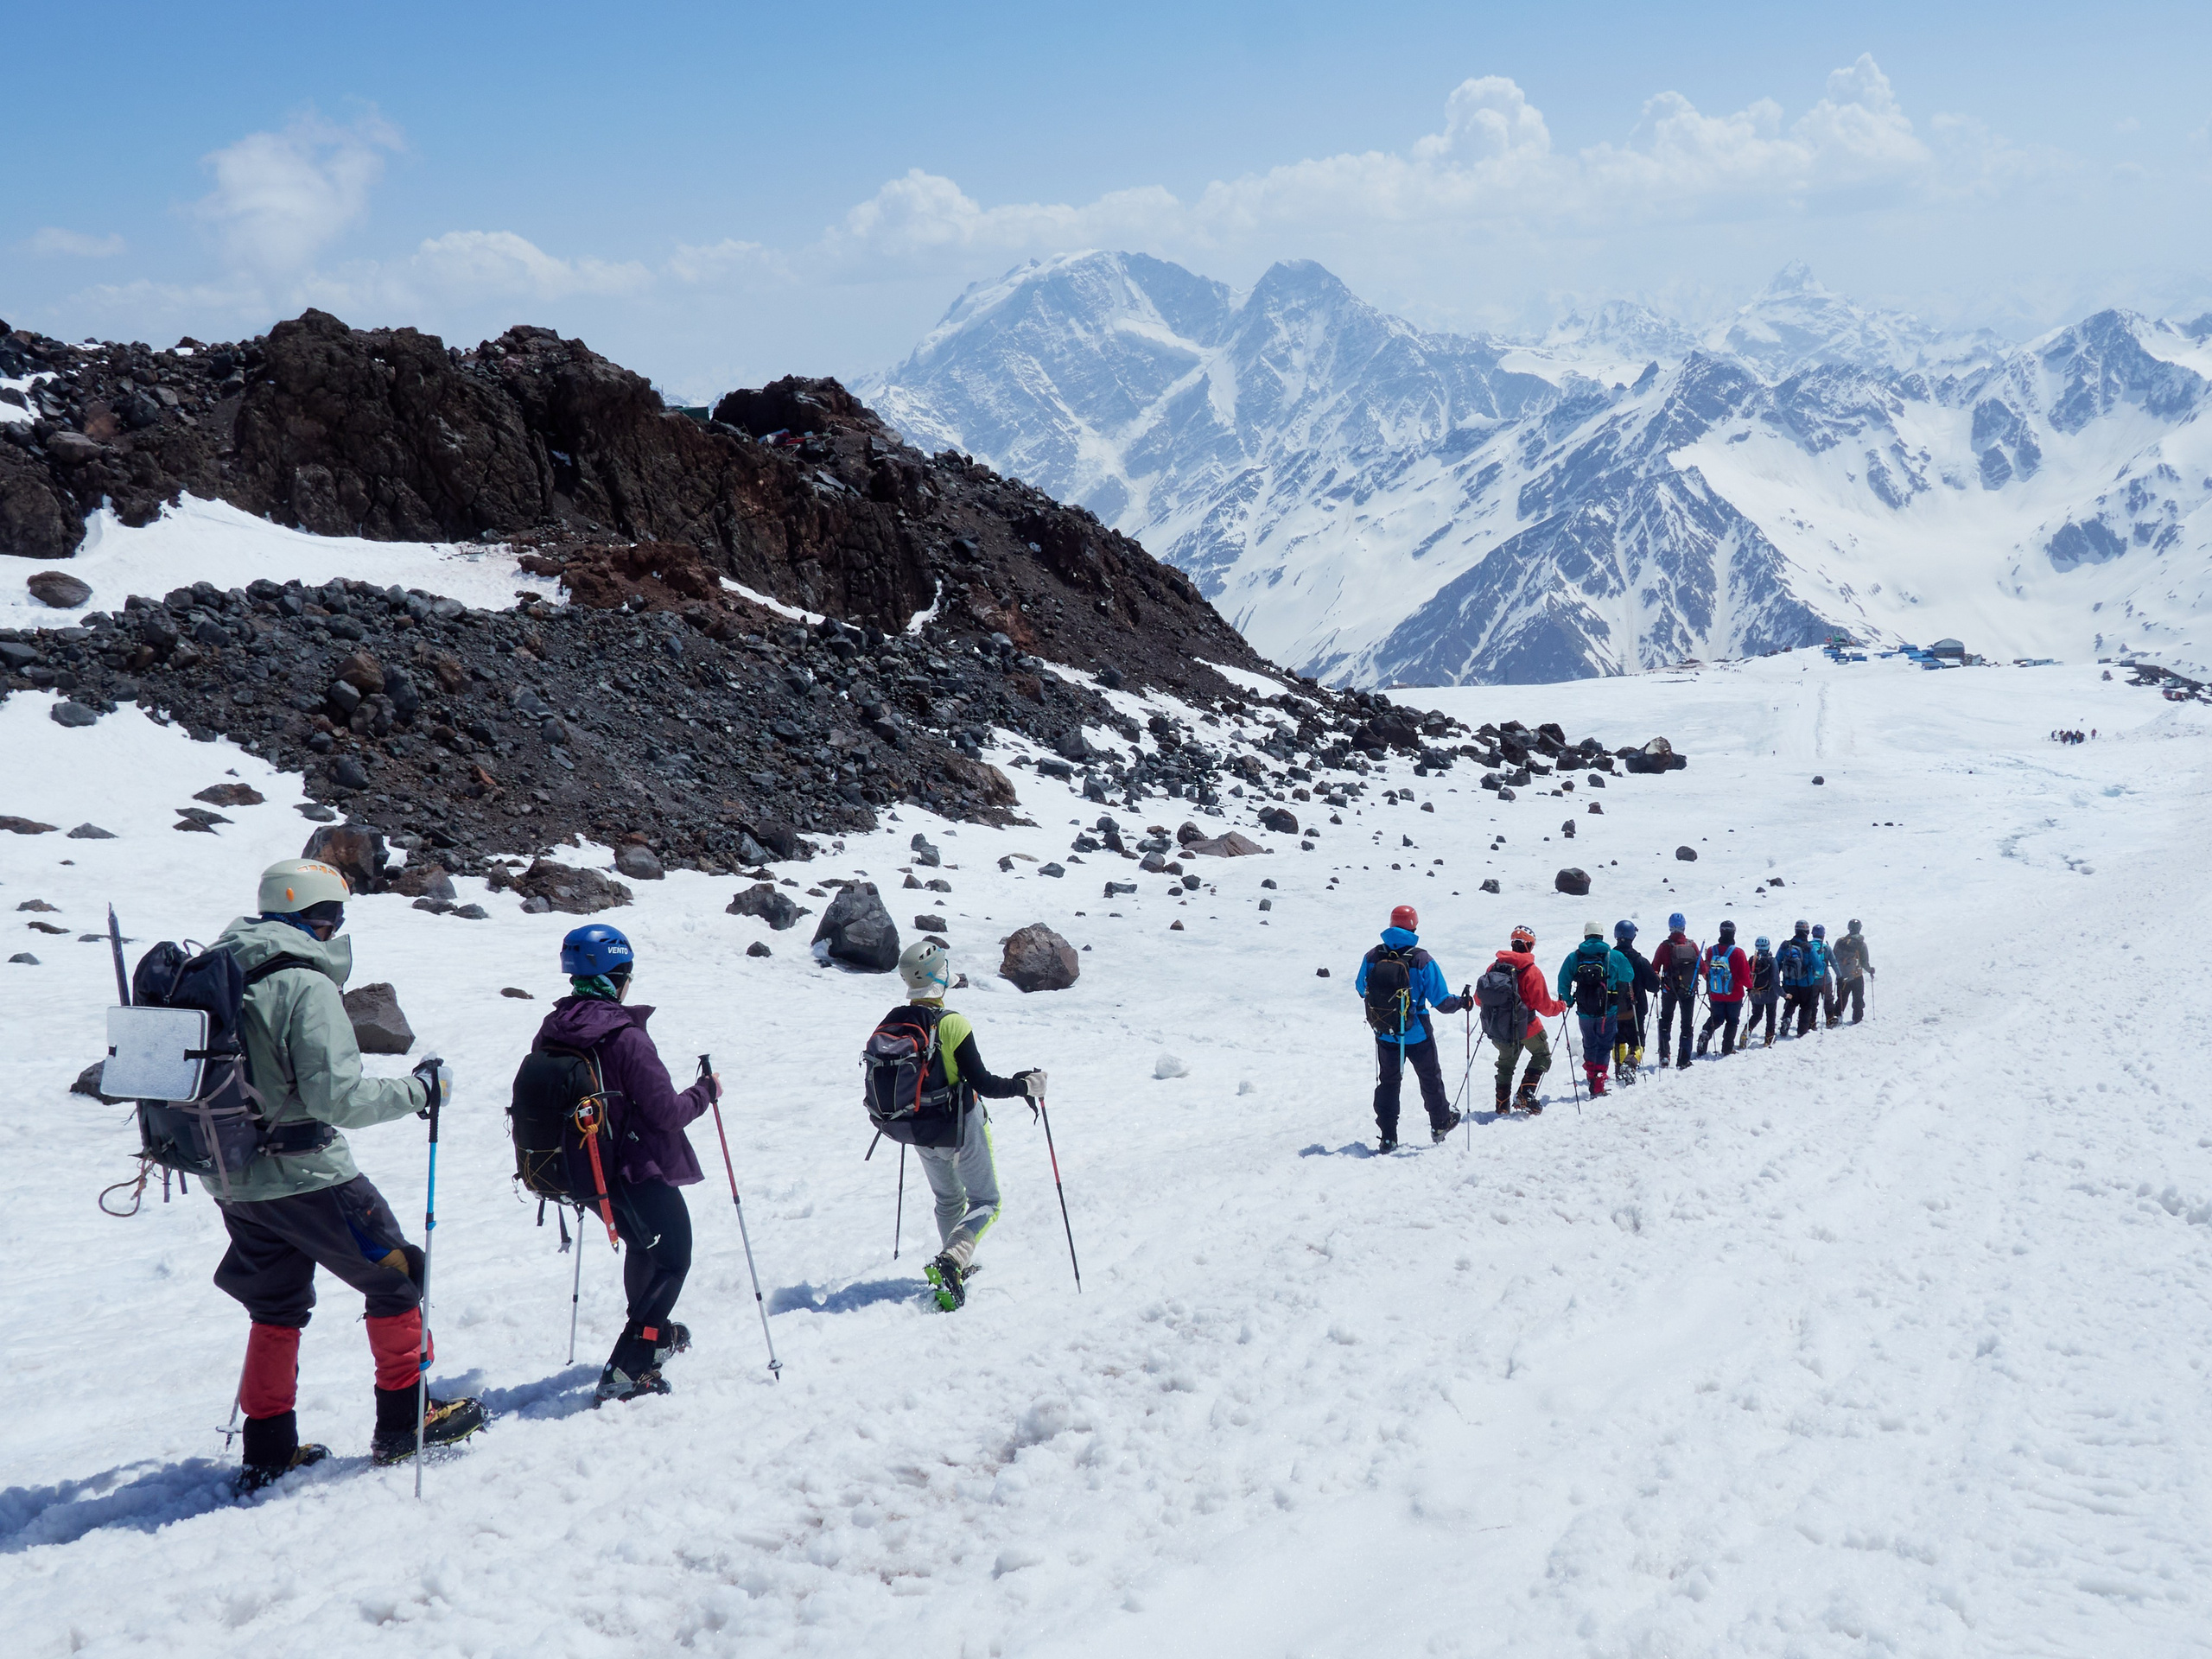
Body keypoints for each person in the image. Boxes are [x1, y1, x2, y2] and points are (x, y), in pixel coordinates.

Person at [209, 859, 483, 1494]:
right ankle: (406, 1423)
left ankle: (268, 1450)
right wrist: (420, 1090)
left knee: (275, 1305)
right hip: (308, 1173)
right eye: (334, 916)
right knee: (396, 1276)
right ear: (319, 918)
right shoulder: (303, 983)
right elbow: (339, 1098)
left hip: (234, 1175)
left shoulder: (227, 971)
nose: (335, 928)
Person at [531, 925, 721, 1402]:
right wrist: (707, 1092)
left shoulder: (554, 1028)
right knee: (673, 1258)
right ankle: (630, 1366)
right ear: (618, 976)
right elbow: (667, 1113)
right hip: (632, 1170)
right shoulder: (625, 1037)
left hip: (579, 1169)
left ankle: (651, 1331)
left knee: (643, 1245)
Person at [890, 940, 1044, 1310]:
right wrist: (1026, 1086)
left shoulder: (896, 1020)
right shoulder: (952, 1023)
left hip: (917, 1129)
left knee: (948, 1200)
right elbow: (985, 1084)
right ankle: (952, 1260)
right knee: (987, 1201)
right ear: (936, 976)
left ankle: (955, 1266)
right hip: (959, 1127)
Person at [1355, 905, 1467, 1150]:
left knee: (1389, 1082)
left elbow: (1360, 987)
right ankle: (1440, 1123)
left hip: (1386, 1031)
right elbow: (1442, 1002)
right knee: (1430, 1078)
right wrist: (1463, 1002)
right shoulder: (1422, 959)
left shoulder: (1373, 956)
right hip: (1416, 1033)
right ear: (1414, 926)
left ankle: (1387, 1136)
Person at [1482, 925, 1566, 1116]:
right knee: (1542, 1054)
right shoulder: (1531, 971)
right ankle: (1525, 1094)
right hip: (1527, 1026)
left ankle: (1502, 1106)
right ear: (1530, 946)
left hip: (1500, 1027)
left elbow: (1481, 998)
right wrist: (1560, 1006)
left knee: (1506, 1064)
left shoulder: (1494, 967)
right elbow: (1544, 1006)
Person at [1557, 921, 1634, 1096]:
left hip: (1584, 1010)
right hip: (1608, 1010)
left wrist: (1568, 1000)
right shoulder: (1612, 955)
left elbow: (1563, 981)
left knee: (1589, 1043)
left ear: (1585, 936)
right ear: (1601, 935)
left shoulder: (1574, 957)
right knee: (1605, 1044)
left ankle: (1591, 1076)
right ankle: (1598, 1082)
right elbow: (1629, 975)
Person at [1611, 920, 1659, 1083]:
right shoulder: (1640, 961)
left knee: (1618, 1040)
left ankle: (1619, 1067)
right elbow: (1654, 986)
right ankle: (1630, 1065)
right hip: (1636, 1009)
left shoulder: (1609, 958)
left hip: (1613, 1008)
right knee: (1637, 1042)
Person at [1651, 913, 1700, 1071]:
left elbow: (1654, 968)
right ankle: (1684, 1059)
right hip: (1688, 990)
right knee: (1687, 1024)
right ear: (1684, 927)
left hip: (1669, 989)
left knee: (1665, 1020)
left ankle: (1665, 1055)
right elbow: (1702, 967)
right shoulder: (1691, 945)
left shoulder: (1664, 946)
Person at [1695, 920, 1751, 1057]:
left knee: (1717, 1018)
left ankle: (1705, 1033)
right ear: (1733, 933)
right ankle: (1727, 1048)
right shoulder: (1738, 953)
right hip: (1734, 994)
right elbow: (1744, 976)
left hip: (1715, 992)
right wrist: (1750, 986)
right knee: (1732, 1021)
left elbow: (1707, 970)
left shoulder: (1711, 951)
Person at [1776, 921, 1821, 1036]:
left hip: (1789, 982)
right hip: (1806, 983)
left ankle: (1786, 1019)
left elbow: (1777, 962)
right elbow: (1818, 966)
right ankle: (1802, 1030)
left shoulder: (1786, 945)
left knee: (1791, 1003)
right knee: (1806, 1006)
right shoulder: (1809, 948)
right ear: (1807, 932)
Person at [1828, 918, 1874, 1024]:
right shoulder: (1861, 944)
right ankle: (1857, 1017)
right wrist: (1870, 970)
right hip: (1857, 976)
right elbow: (1864, 962)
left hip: (1842, 976)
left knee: (1841, 998)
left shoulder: (1840, 941)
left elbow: (1834, 958)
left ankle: (1837, 1016)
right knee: (1858, 998)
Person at [1747, 936, 1781, 1047]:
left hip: (1755, 993)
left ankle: (1746, 1031)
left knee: (1756, 1015)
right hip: (1770, 994)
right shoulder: (1772, 960)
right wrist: (1783, 993)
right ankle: (1768, 1038)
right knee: (1771, 1016)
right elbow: (1775, 980)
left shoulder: (1752, 960)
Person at [1809, 924, 1836, 1031]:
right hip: (1826, 979)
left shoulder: (1808, 946)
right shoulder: (1826, 947)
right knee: (1828, 1000)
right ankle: (1829, 1020)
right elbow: (1834, 963)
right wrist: (1840, 976)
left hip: (1812, 980)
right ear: (1823, 935)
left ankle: (1812, 1022)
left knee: (1813, 1002)